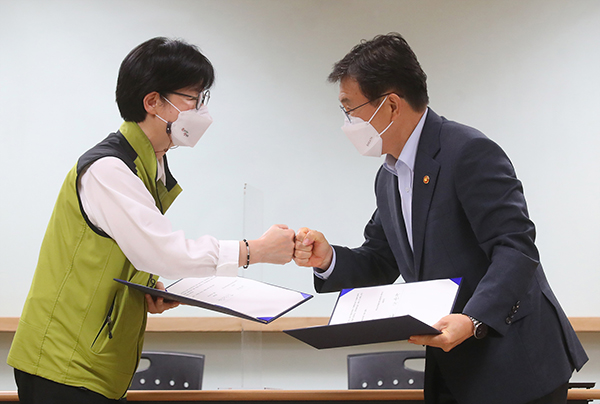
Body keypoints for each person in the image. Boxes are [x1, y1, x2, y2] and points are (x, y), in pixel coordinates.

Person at [294, 33, 587, 404]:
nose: (348, 122)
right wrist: (328, 260)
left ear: (391, 105)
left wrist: (473, 318)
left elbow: (515, 248)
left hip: (516, 365)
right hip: (451, 364)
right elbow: (381, 259)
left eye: (350, 109)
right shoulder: (389, 176)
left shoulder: (468, 152)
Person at [7, 37, 295, 403]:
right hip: (63, 366)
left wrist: (145, 287)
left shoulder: (146, 166)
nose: (201, 111)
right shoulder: (109, 169)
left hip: (88, 367)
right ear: (153, 102)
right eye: (193, 99)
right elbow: (162, 251)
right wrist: (254, 250)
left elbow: (129, 250)